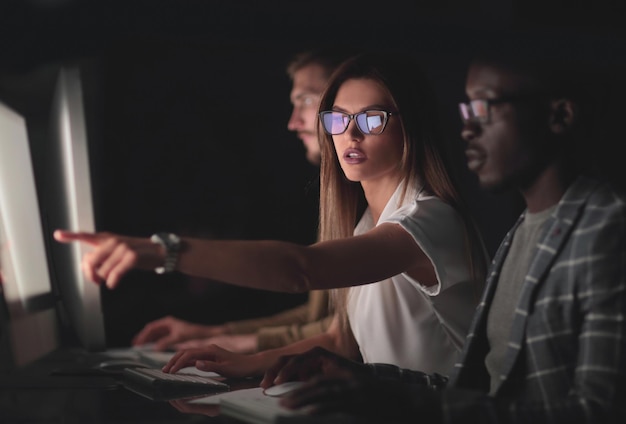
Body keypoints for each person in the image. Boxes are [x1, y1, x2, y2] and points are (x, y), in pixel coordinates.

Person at [54, 51, 489, 379]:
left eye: (372, 119)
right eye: (337, 119)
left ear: (410, 126)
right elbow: (342, 339)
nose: (350, 134)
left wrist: (161, 251)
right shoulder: (367, 224)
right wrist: (245, 361)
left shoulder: (430, 220)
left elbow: (301, 268)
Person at [258, 38, 626, 423]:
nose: (468, 127)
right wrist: (367, 381)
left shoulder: (608, 229)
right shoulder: (521, 232)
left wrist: (410, 403)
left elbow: (601, 412)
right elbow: (476, 391)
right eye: (467, 108)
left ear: (560, 115)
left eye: (485, 106)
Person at [129, 49, 349, 354]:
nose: (293, 123)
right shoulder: (348, 201)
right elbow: (325, 316)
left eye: (306, 100)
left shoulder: (393, 213)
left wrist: (161, 252)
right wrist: (220, 333)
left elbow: (303, 271)